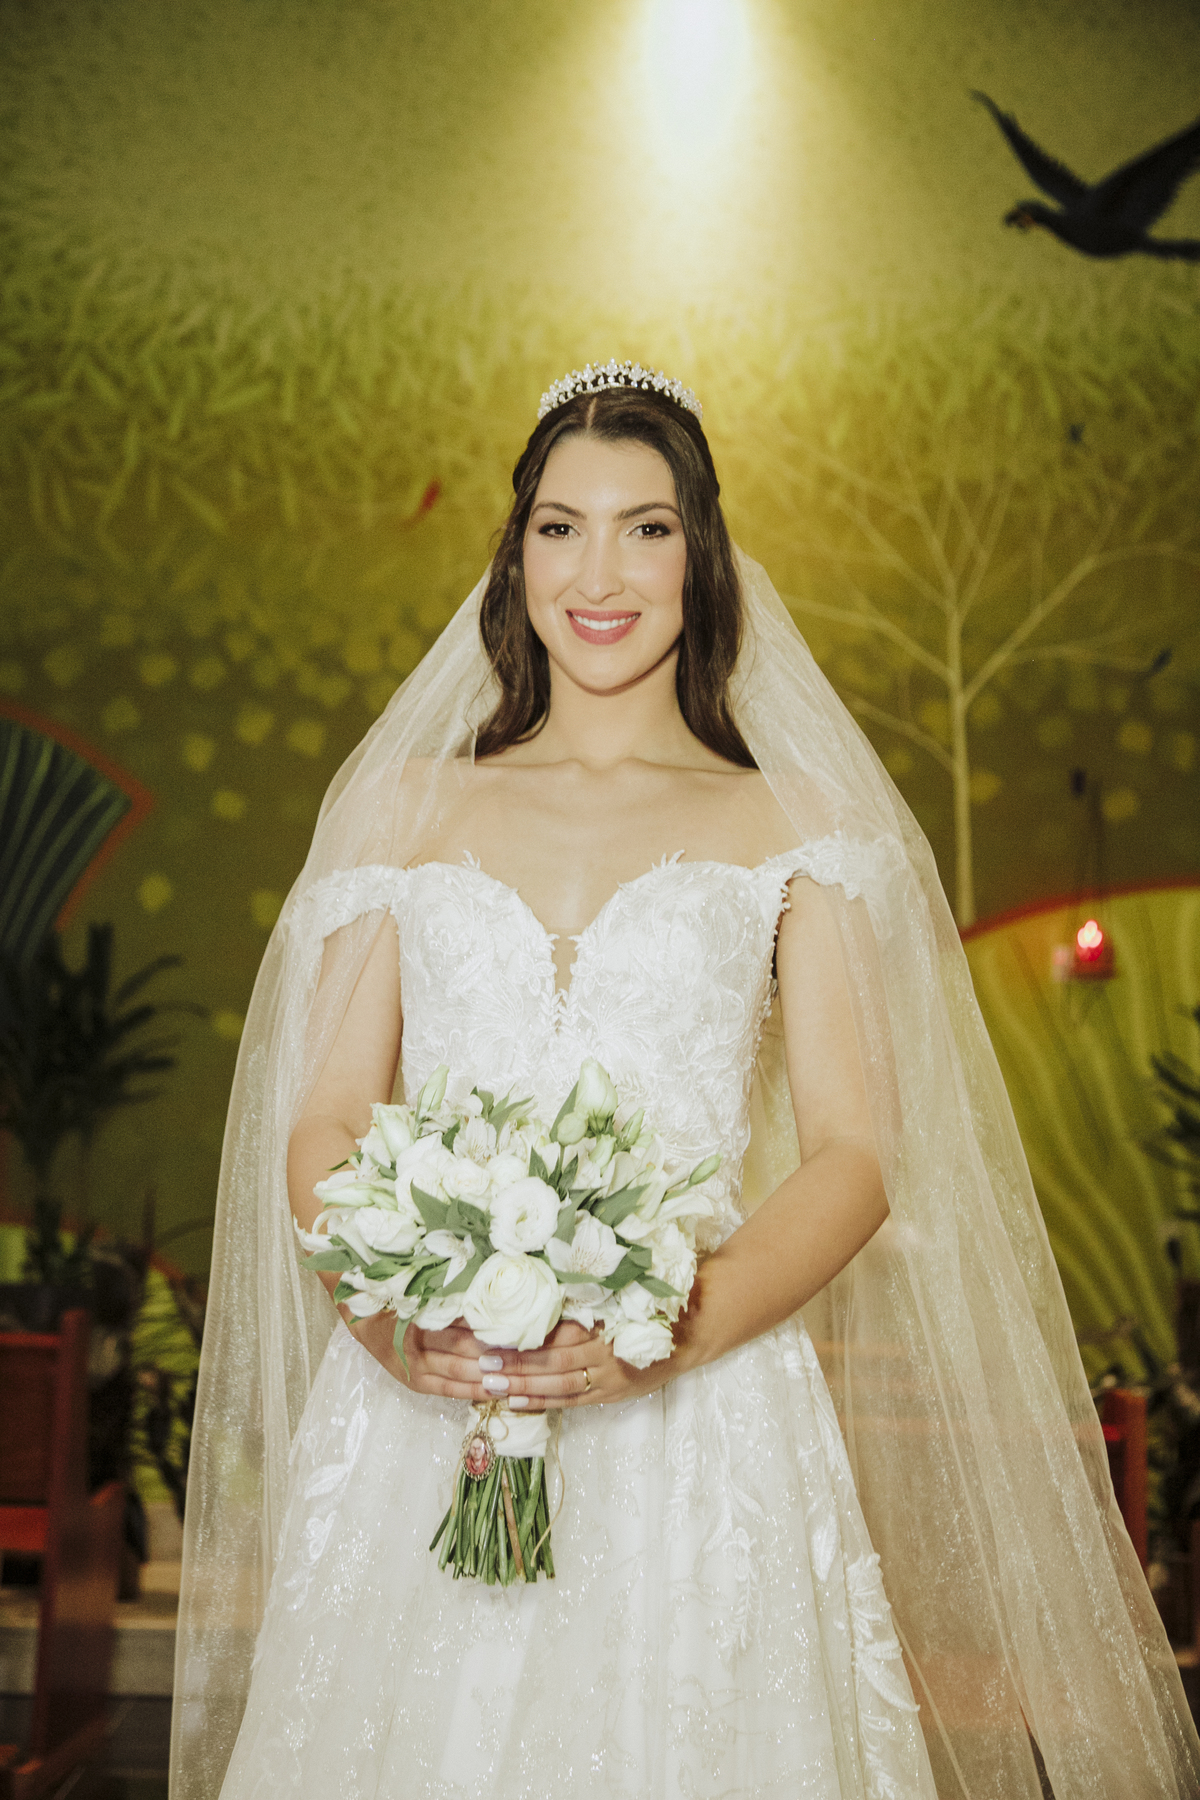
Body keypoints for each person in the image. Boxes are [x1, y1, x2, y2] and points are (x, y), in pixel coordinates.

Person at [172, 363, 1200, 1800]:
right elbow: (329, 1115)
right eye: (560, 527)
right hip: (435, 1408)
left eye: (644, 529)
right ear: (515, 556)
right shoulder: (406, 808)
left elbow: (854, 1153)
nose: (598, 574)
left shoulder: (794, 824)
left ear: (700, 556)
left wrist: (675, 1327)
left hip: (699, 1417)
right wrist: (396, 1323)